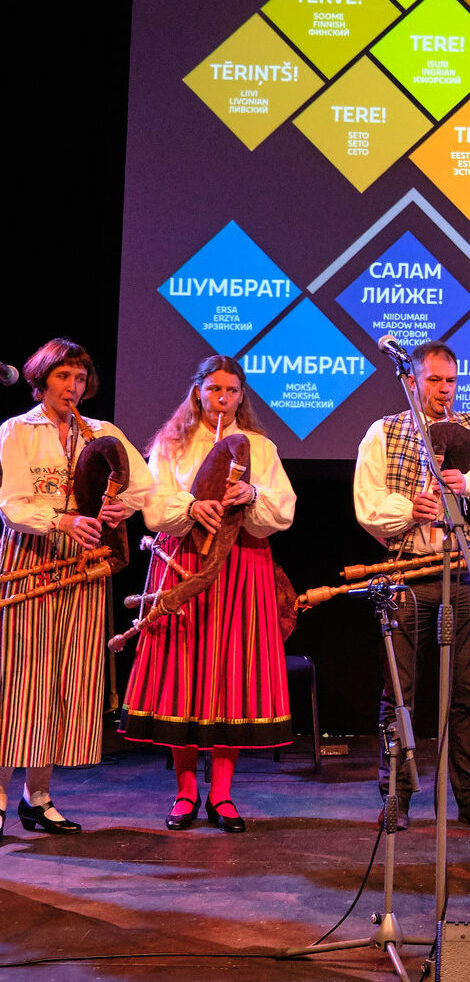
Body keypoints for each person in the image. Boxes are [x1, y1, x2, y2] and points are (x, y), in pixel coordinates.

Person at [120, 355, 296, 832]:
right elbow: (154, 506)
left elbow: (284, 509)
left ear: (241, 396)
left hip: (242, 563)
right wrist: (192, 506)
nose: (223, 398)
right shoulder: (171, 444)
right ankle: (184, 791)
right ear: (198, 391)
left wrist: (252, 495)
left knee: (229, 672)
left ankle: (222, 793)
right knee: (183, 670)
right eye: (214, 389)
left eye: (232, 391)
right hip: (183, 560)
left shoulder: (259, 446)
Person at [354, 341, 470, 833]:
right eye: (434, 380)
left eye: (450, 380)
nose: (444, 389)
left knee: (467, 695)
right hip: (406, 573)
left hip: (462, 575)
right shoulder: (384, 432)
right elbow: (367, 503)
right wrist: (410, 509)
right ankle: (396, 797)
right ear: (412, 381)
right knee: (399, 693)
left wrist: (468, 485)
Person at [1, 338, 151, 842]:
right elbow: (12, 504)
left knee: (65, 678)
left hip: (85, 567)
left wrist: (119, 507)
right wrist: (62, 520)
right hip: (32, 560)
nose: (73, 386)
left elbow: (143, 485)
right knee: (21, 679)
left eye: (80, 378)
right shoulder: (18, 431)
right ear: (42, 379)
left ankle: (38, 797)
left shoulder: (103, 432)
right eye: (63, 376)